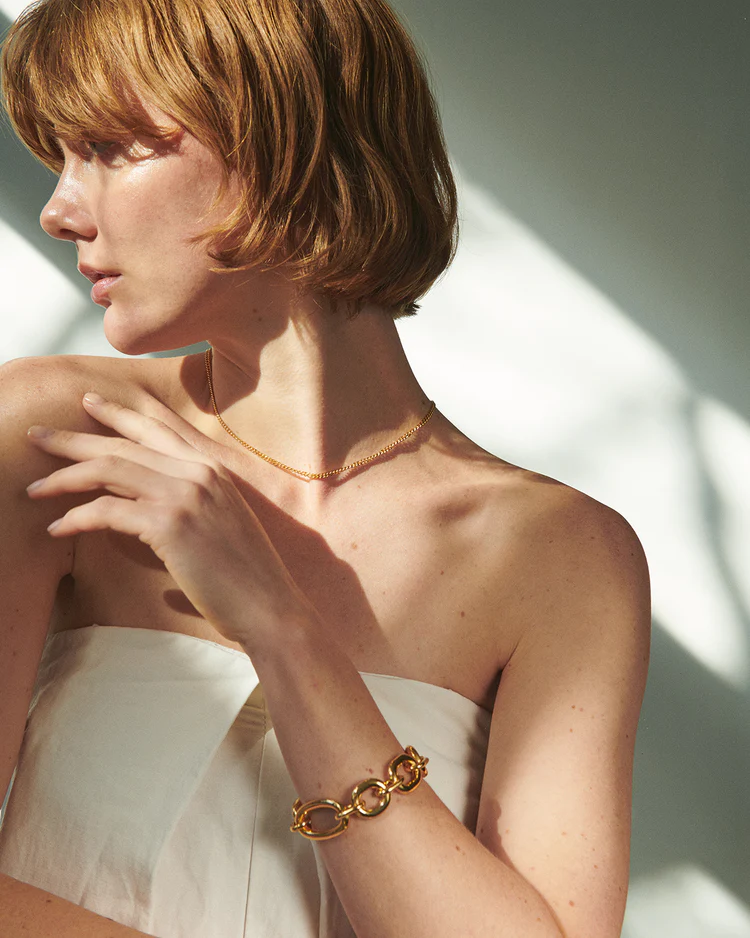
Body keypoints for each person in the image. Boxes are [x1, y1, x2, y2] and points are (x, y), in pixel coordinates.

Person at [0, 0, 651, 936]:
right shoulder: (52, 436)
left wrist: (280, 627)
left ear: (280, 141)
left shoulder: (564, 559)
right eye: (61, 159)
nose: (59, 211)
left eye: (106, 149)